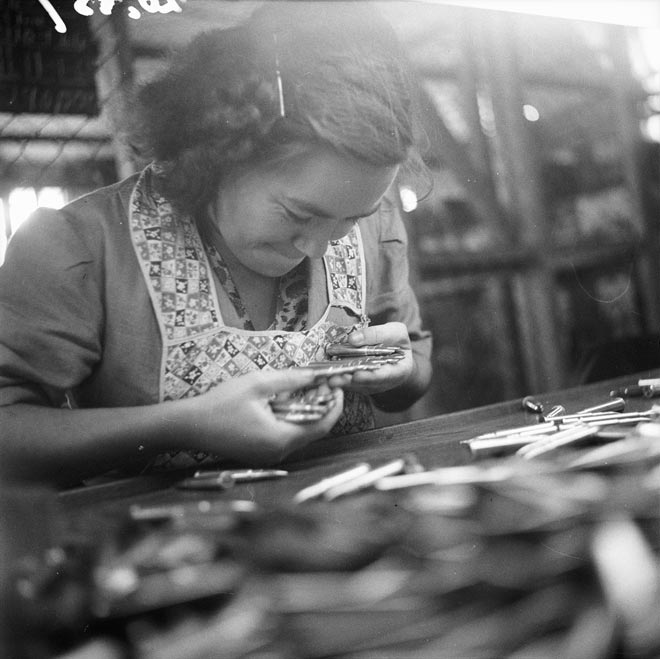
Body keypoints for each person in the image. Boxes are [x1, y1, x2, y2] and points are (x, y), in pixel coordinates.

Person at [0, 2, 432, 486]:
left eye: (352, 217)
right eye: (297, 213)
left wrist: (401, 369)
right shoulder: (81, 247)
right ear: (217, 154)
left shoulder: (375, 230)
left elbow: (413, 368)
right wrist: (183, 423)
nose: (318, 247)